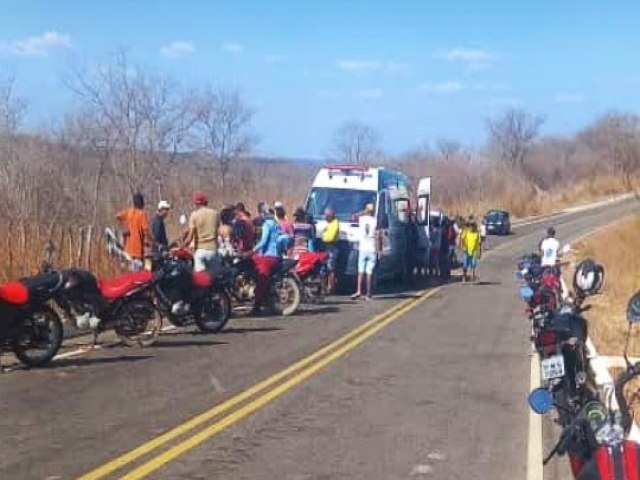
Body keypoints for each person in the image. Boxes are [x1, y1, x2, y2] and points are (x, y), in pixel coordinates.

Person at [252, 205, 280, 314]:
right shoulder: (276, 224)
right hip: (276, 256)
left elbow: (263, 242)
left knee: (261, 280)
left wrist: (252, 251)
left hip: (268, 256)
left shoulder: (266, 225)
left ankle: (257, 307)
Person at [182, 191, 220, 272]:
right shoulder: (215, 214)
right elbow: (217, 233)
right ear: (206, 202)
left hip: (200, 251)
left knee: (201, 280)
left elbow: (190, 236)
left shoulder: (194, 215)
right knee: (215, 280)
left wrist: (183, 246)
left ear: (196, 203)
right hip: (213, 250)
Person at [116, 192, 152, 271]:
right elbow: (146, 230)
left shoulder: (129, 212)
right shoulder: (141, 214)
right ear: (141, 202)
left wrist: (124, 228)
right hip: (137, 250)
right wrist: (152, 242)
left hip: (128, 250)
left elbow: (118, 216)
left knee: (129, 275)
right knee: (137, 276)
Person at [352, 204, 377, 301]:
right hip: (372, 247)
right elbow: (377, 234)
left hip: (363, 247)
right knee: (369, 273)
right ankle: (368, 293)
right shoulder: (375, 220)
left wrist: (363, 212)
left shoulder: (361, 219)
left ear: (366, 210)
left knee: (360, 271)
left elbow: (354, 216)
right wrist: (379, 250)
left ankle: (358, 290)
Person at [321, 207, 340, 294]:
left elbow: (330, 238)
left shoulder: (335, 223)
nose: (325, 217)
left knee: (331, 268)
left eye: (326, 215)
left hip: (332, 247)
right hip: (328, 247)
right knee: (327, 268)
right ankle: (327, 286)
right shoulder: (329, 223)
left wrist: (324, 235)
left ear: (331, 215)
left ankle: (330, 287)